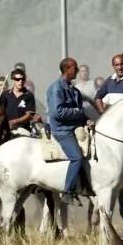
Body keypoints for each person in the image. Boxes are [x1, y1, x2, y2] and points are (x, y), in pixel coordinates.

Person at [48, 57, 92, 205]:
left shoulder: (73, 89)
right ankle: (67, 192)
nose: (77, 71)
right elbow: (57, 112)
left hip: (74, 127)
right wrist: (78, 113)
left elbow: (79, 112)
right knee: (77, 157)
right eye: (75, 68)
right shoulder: (56, 88)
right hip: (62, 131)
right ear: (67, 70)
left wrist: (86, 120)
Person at [0, 67, 40, 133]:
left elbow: (29, 115)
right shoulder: (5, 95)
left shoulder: (29, 96)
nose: (20, 81)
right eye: (17, 79)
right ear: (13, 80)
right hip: (6, 129)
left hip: (23, 129)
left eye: (23, 79)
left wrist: (14, 121)